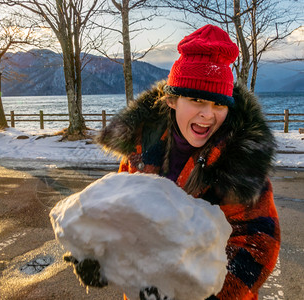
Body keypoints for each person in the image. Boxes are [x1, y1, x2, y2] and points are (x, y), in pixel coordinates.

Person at [65, 24, 280, 300]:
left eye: (219, 104)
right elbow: (122, 215)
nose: (208, 115)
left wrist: (204, 293)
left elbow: (259, 243)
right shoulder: (143, 143)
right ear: (172, 100)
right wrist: (102, 258)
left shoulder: (239, 160)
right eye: (197, 100)